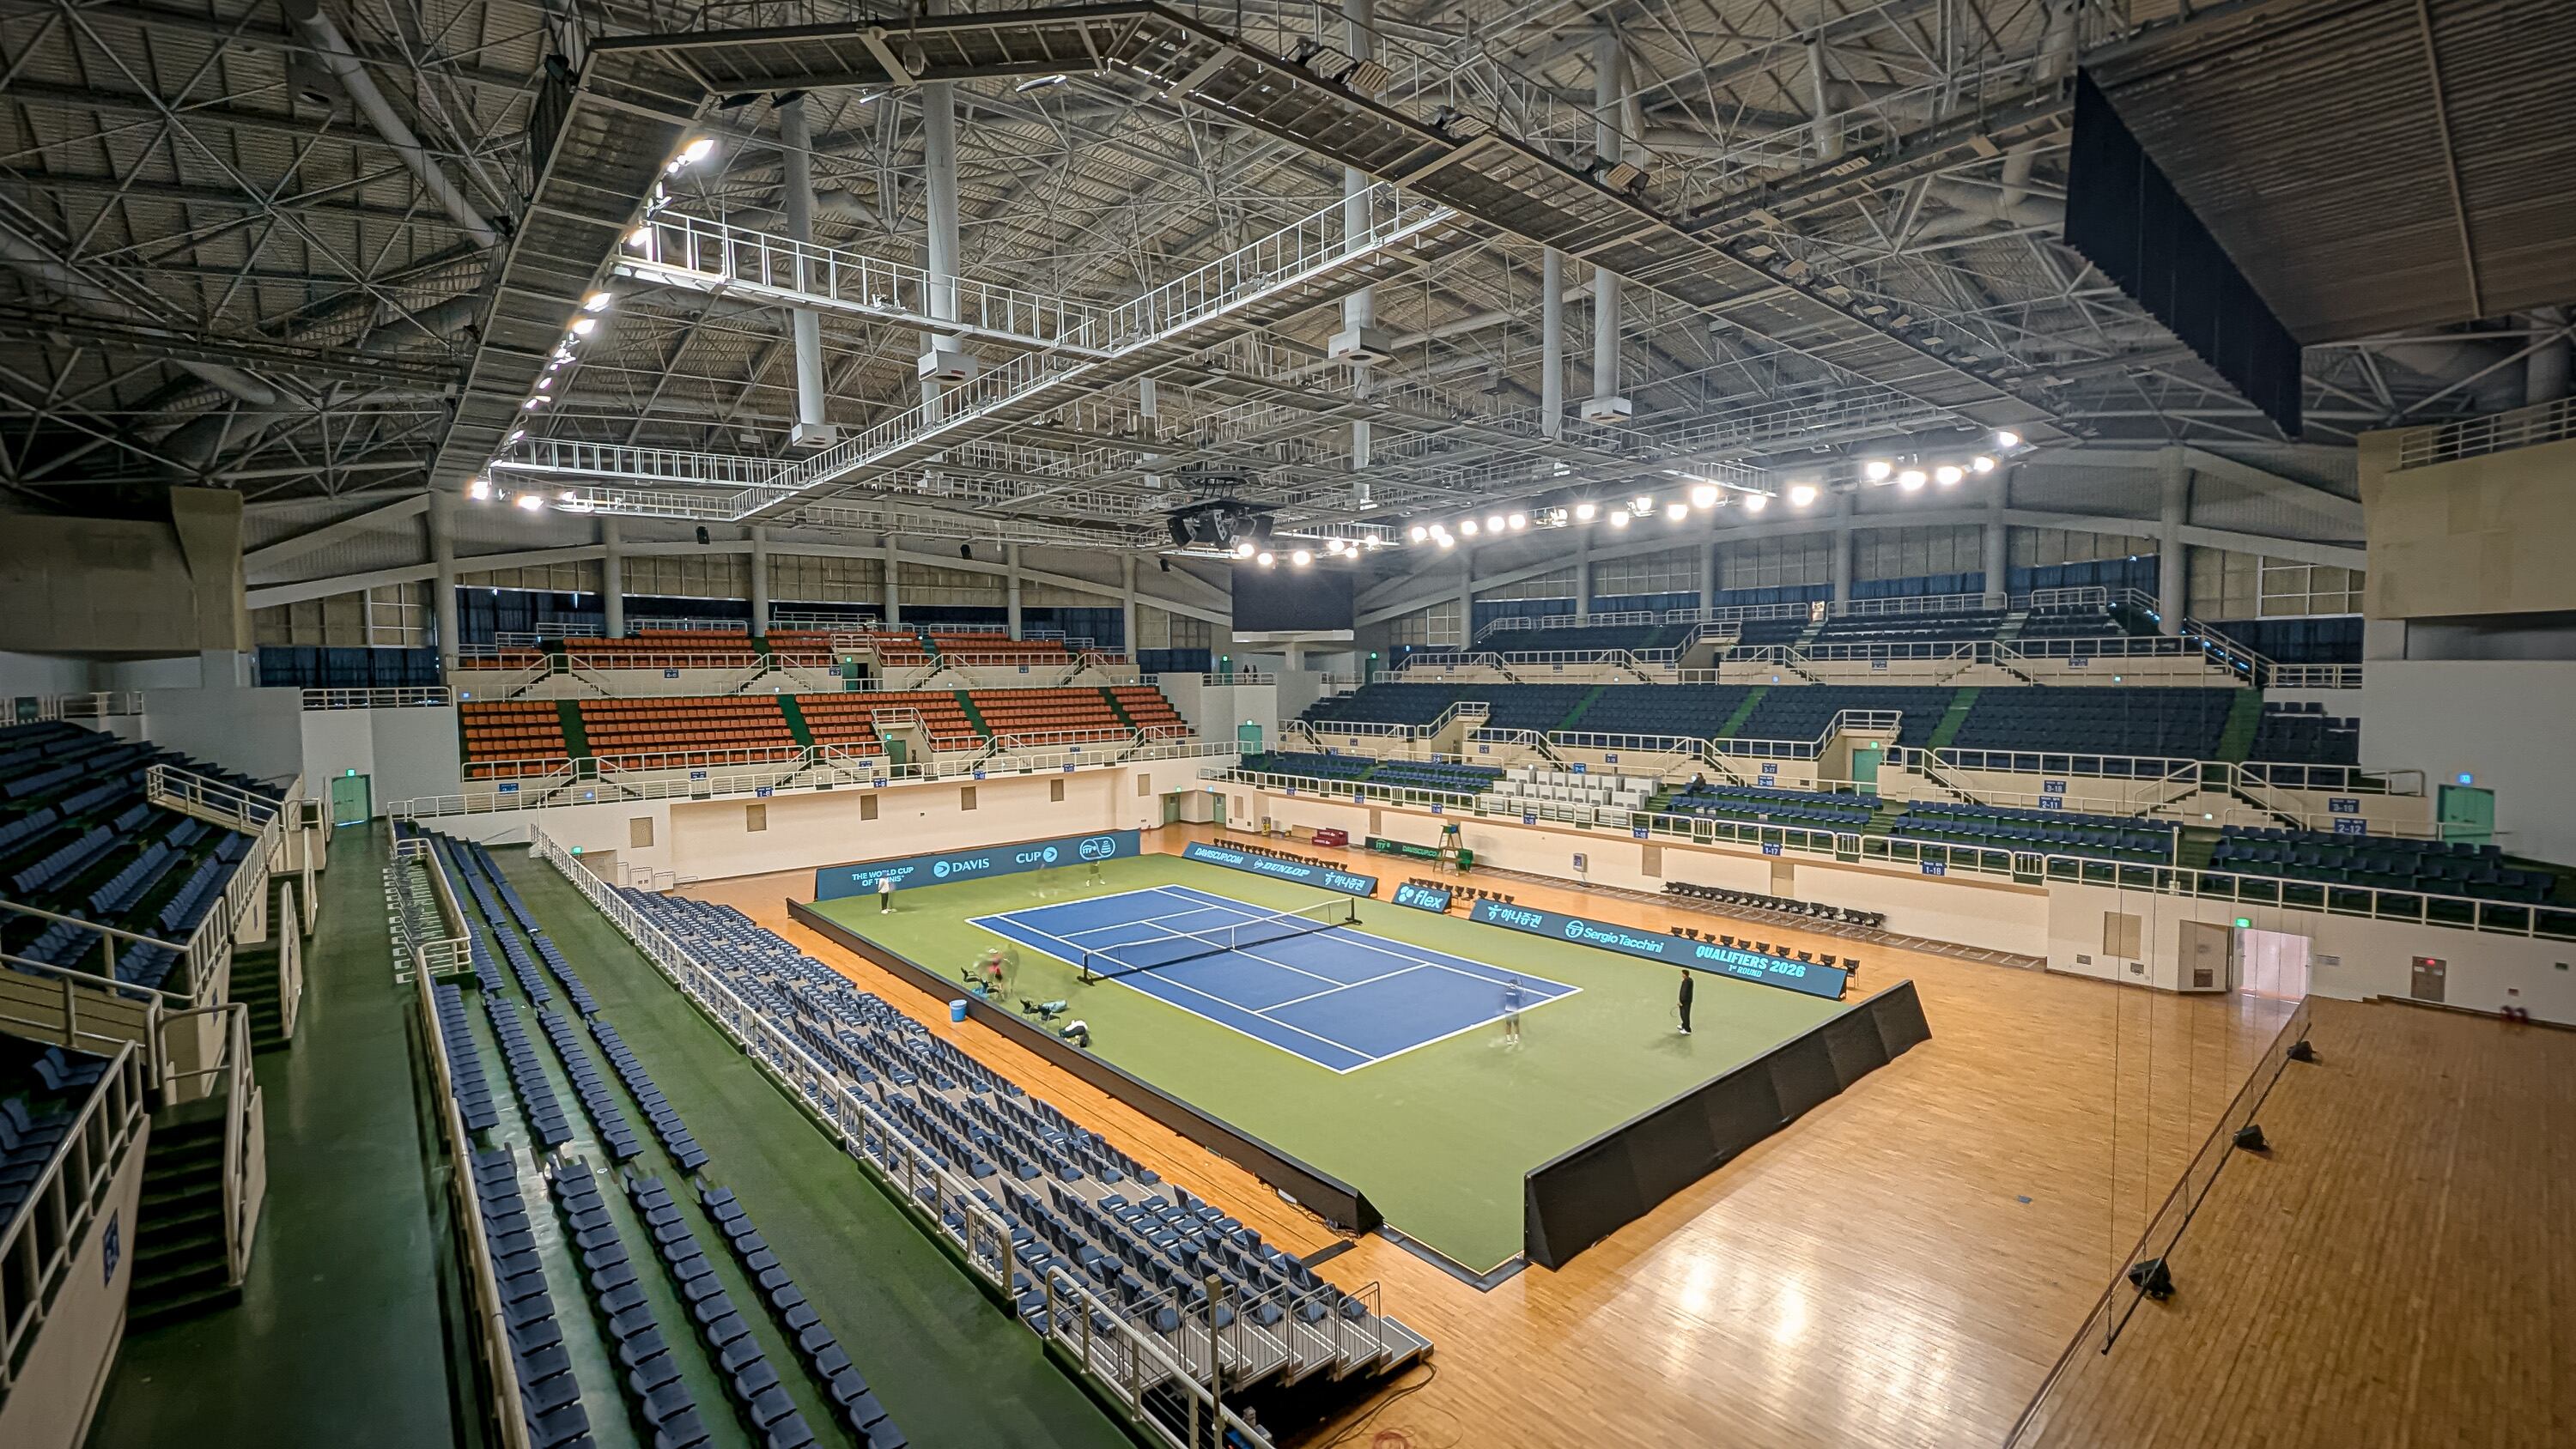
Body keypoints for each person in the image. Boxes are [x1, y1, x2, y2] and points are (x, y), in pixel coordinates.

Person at [1501, 976, 1524, 1046]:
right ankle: (1516, 1039)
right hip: (1515, 1011)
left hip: (1507, 1010)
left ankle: (1508, 1040)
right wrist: (1523, 993)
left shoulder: (1507, 991)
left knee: (1508, 1025)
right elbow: (1524, 998)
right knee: (1516, 1025)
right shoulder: (1518, 992)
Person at [1676, 967, 1694, 1035]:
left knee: (1685, 1015)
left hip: (1685, 1002)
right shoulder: (1688, 980)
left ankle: (1687, 1030)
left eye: (1682, 974)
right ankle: (1684, 1026)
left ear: (1685, 975)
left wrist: (1681, 1001)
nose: (1682, 975)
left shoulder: (1686, 982)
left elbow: (1684, 992)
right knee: (1683, 1014)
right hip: (1686, 1001)